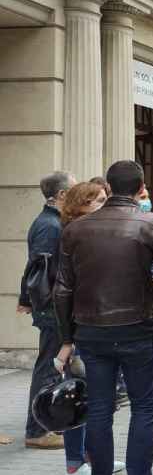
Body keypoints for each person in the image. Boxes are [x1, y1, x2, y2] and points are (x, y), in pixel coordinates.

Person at [53, 160, 153, 475]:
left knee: (99, 410)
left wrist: (66, 338)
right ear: (141, 188)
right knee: (144, 408)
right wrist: (147, 296)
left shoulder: (75, 229)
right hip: (137, 328)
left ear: (109, 188)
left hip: (91, 331)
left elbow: (62, 289)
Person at [17, 174, 73, 448]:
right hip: (51, 309)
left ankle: (45, 426)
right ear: (61, 195)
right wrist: (33, 300)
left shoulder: (51, 222)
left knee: (52, 367)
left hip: (51, 306)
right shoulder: (49, 226)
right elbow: (38, 270)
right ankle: (37, 431)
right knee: (48, 368)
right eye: (73, 190)